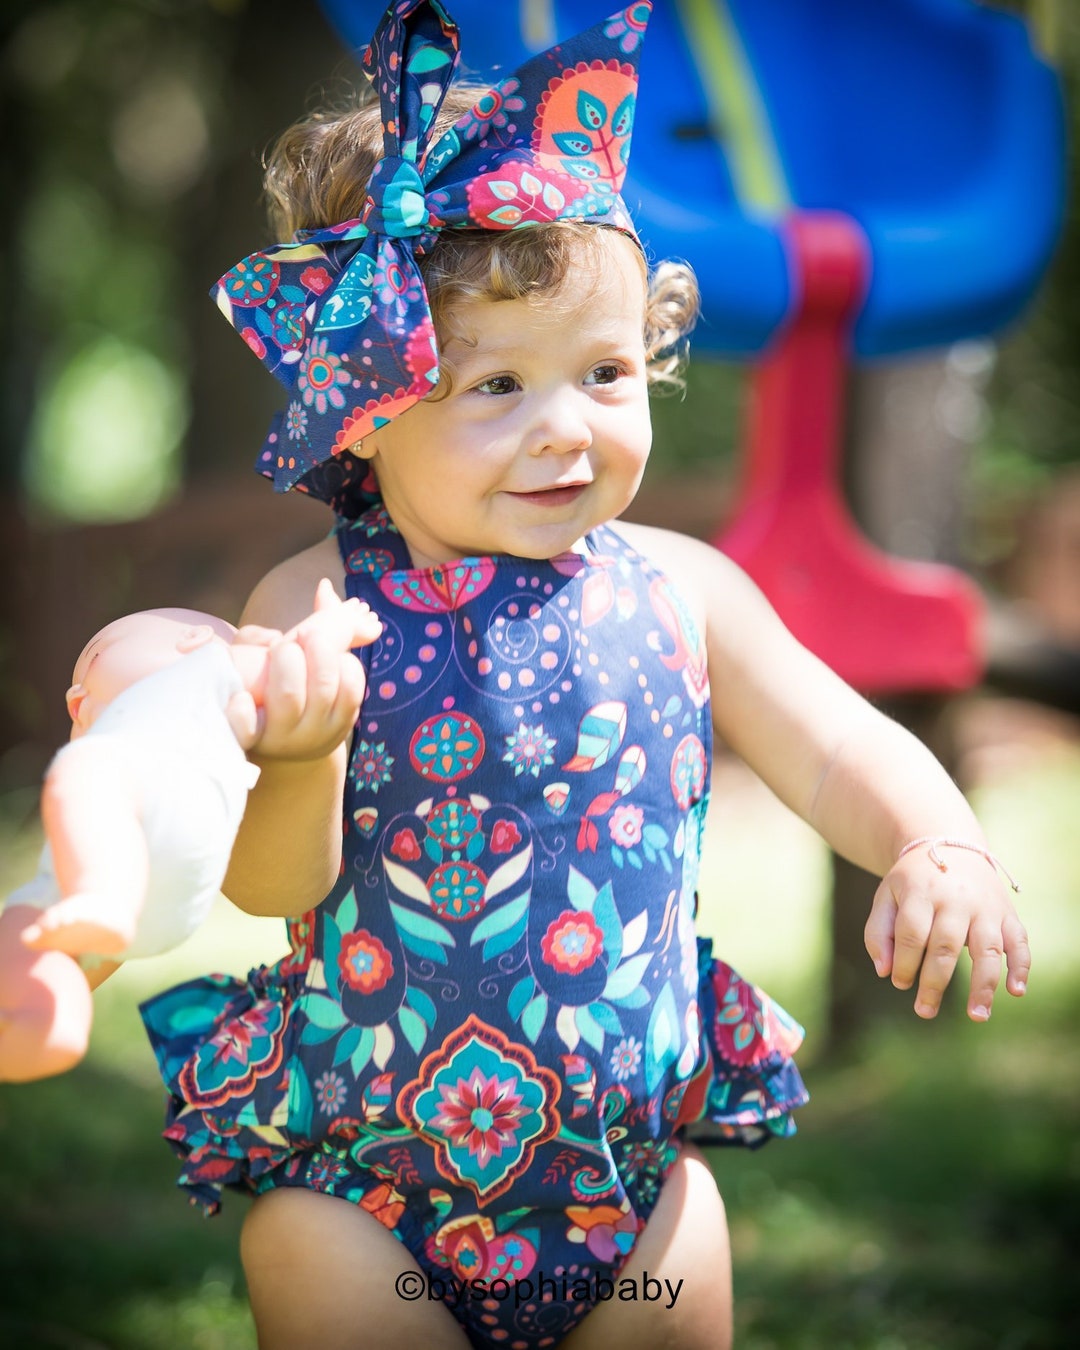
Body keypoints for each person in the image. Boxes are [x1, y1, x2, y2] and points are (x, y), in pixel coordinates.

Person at [139, 4, 1031, 1349]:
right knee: (306, 1262)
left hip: (636, 1190)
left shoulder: (684, 589)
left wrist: (934, 836)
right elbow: (270, 888)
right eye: (495, 384)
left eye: (606, 370)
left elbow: (839, 747)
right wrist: (309, 748)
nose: (568, 425)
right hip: (368, 1189)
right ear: (368, 411)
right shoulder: (318, 604)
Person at [0, 582, 380, 1083]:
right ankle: (46, 1021)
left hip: (150, 827)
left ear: (195, 639)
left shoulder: (210, 669)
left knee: (83, 771)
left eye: (97, 655)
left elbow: (295, 663)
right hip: (162, 891)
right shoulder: (167, 729)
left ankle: (99, 899)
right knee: (28, 930)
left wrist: (334, 626)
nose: (76, 696)